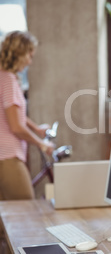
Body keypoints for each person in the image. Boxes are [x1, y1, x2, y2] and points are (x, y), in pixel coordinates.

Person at [0, 30, 54, 200]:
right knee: (25, 208)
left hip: (4, 155)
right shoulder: (8, 79)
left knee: (7, 218)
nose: (30, 62)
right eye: (29, 56)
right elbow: (15, 126)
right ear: (19, 54)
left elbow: (14, 113)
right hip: (7, 157)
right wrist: (42, 145)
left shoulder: (5, 77)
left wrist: (36, 129)